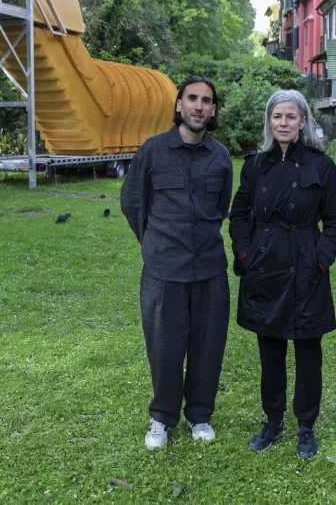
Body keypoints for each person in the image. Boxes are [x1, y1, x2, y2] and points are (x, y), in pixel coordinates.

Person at [229, 89, 336, 460]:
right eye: (277, 116)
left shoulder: (321, 165)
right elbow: (238, 214)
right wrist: (245, 253)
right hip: (264, 266)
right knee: (270, 351)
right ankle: (273, 420)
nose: (283, 123)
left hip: (306, 268)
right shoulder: (254, 165)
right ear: (269, 121)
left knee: (309, 352)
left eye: (291, 117)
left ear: (303, 122)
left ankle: (306, 426)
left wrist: (320, 259)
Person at [120, 76, 233, 450]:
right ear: (179, 105)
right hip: (164, 271)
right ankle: (161, 418)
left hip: (210, 270)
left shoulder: (219, 157)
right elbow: (134, 204)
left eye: (206, 101)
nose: (199, 106)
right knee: (165, 347)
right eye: (192, 99)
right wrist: (156, 243)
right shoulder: (152, 151)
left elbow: (221, 208)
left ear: (213, 110)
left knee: (208, 346)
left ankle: (199, 415)